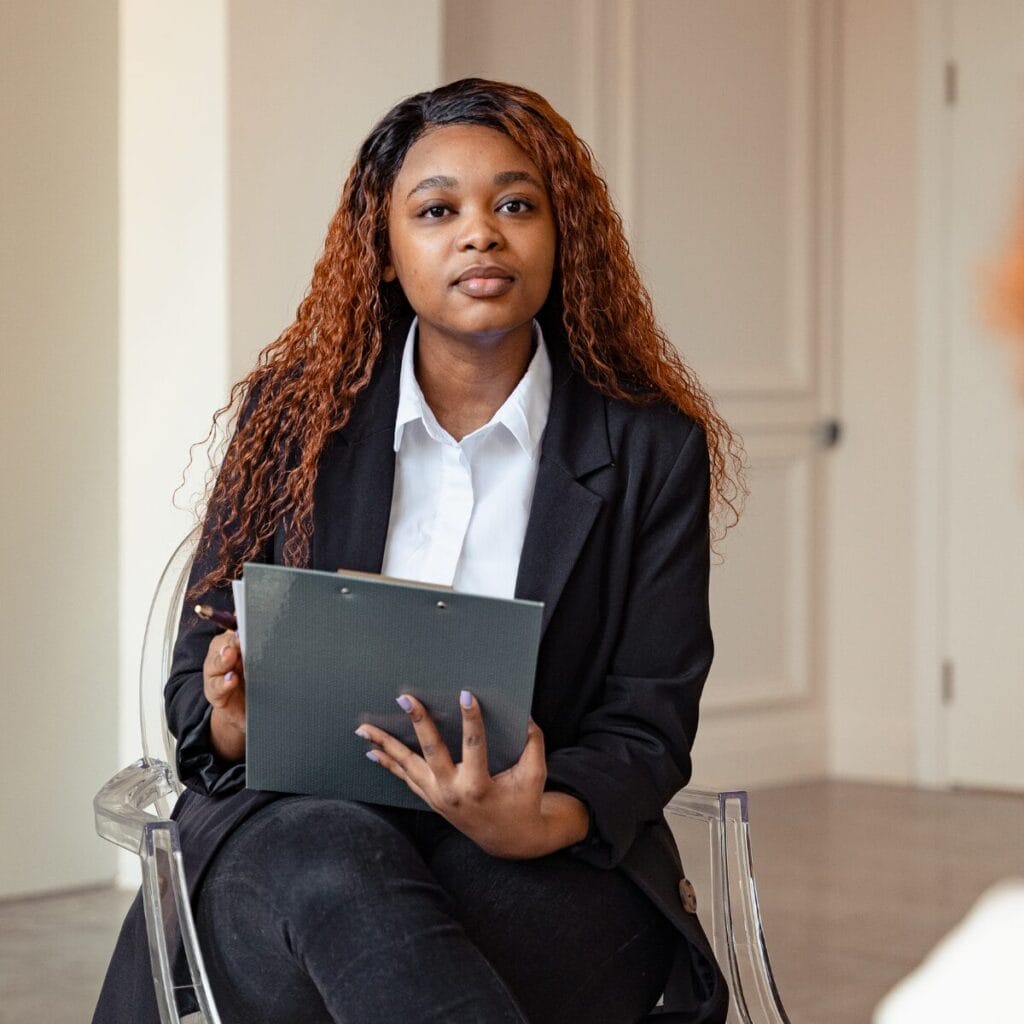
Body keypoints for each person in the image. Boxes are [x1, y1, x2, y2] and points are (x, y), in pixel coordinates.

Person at [94, 78, 744, 1024]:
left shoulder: (650, 448)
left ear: (563, 237)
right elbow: (199, 693)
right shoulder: (293, 420)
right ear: (387, 251)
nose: (480, 234)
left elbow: (648, 722)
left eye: (515, 206)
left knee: (394, 936)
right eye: (438, 211)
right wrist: (236, 715)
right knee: (333, 869)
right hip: (289, 835)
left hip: (533, 852)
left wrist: (538, 819)